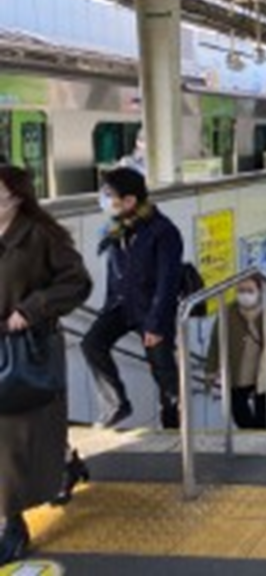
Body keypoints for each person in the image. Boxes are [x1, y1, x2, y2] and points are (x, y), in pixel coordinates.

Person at [0, 165, 92, 565]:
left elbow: (77, 282)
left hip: (26, 351)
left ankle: (11, 524)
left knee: (14, 440)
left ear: (15, 197)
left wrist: (32, 309)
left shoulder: (41, 235)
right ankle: (67, 464)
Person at [83, 168, 184, 429]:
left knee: (164, 374)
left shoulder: (163, 231)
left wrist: (156, 324)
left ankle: (175, 429)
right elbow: (114, 272)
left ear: (129, 200)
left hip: (152, 310)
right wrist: (107, 307)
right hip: (121, 306)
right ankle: (116, 404)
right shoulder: (117, 228)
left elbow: (168, 281)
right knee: (92, 343)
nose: (104, 199)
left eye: (109, 194)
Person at [205, 276, 266, 430]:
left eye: (250, 290)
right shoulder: (228, 311)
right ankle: (251, 436)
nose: (245, 295)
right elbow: (215, 342)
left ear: (259, 291)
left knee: (263, 412)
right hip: (236, 369)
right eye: (241, 290)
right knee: (238, 410)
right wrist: (211, 370)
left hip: (262, 370)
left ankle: (262, 438)